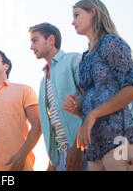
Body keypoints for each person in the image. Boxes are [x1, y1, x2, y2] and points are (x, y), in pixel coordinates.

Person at [63, 0, 133, 171]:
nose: (72, 22)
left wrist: (93, 114)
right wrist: (78, 109)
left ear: (93, 12)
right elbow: (95, 101)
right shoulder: (85, 58)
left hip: (119, 141)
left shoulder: (111, 43)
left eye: (77, 15)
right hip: (94, 149)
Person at [29, 23, 86, 171]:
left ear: (51, 40)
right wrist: (52, 162)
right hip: (60, 158)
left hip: (83, 151)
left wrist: (79, 147)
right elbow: (52, 123)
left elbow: (93, 101)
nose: (31, 47)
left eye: (35, 40)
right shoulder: (43, 81)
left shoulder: (73, 60)